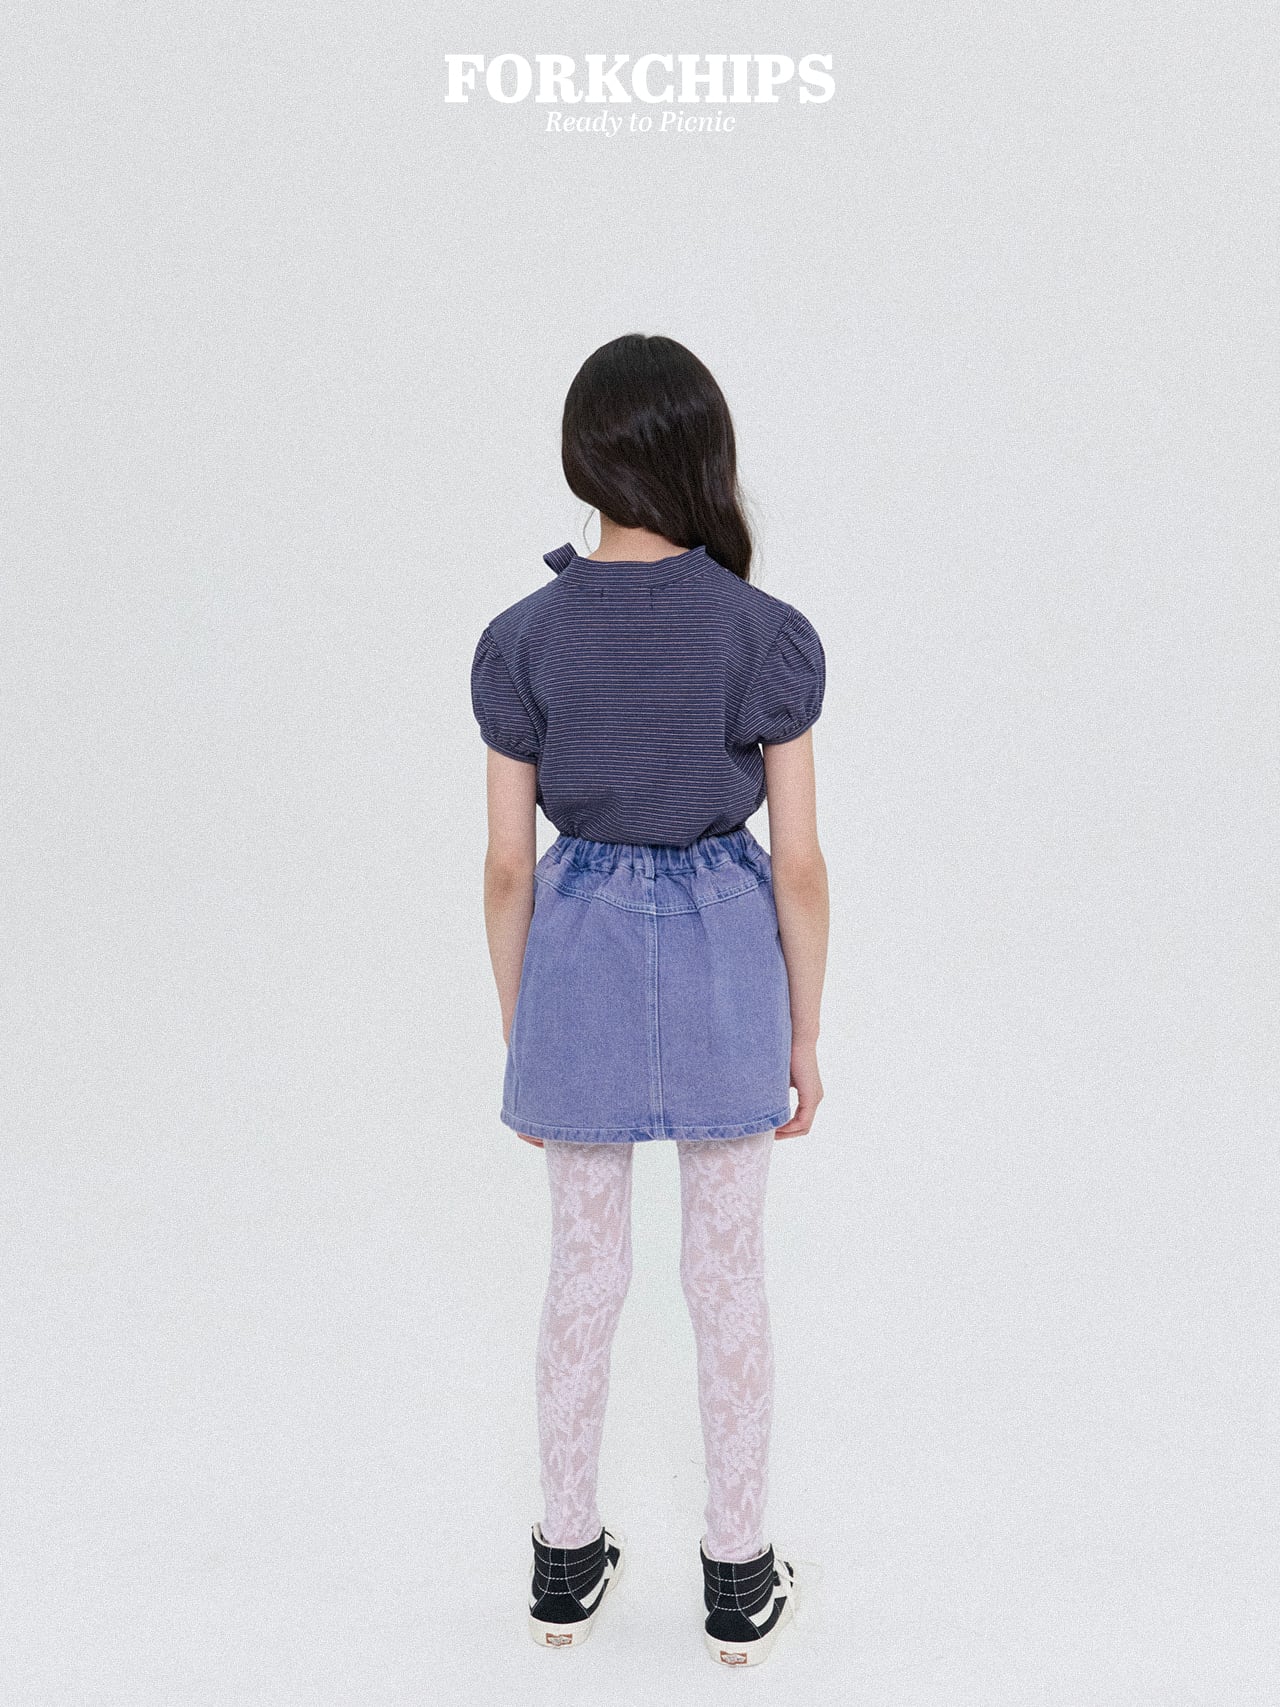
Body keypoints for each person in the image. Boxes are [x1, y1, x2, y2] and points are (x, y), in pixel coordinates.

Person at [469, 333, 829, 1668]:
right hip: (728, 956)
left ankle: (565, 1562)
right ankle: (737, 1575)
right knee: (725, 1276)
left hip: (579, 962)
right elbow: (800, 863)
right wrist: (804, 1031)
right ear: (703, 455)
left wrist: (527, 1032)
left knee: (584, 1269)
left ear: (585, 460)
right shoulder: (763, 634)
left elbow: (507, 866)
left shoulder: (522, 640)